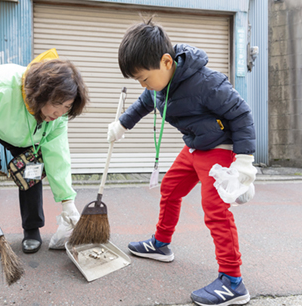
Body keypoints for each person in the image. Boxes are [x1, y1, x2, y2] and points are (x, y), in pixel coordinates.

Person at [107, 19, 257, 306]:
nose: (143, 84)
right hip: (195, 146)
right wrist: (121, 126)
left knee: (215, 211)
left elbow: (242, 114)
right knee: (171, 188)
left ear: (166, 61)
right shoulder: (160, 84)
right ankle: (161, 244)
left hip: (219, 148)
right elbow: (144, 102)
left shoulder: (207, 83)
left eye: (144, 78)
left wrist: (244, 161)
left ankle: (233, 281)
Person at [0, 49, 88, 259]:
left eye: (66, 107)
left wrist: (67, 201)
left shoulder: (57, 118)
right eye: (57, 104)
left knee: (32, 172)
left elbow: (58, 156)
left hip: (27, 135)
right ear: (41, 93)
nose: (60, 113)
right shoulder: (1, 86)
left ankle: (32, 228)